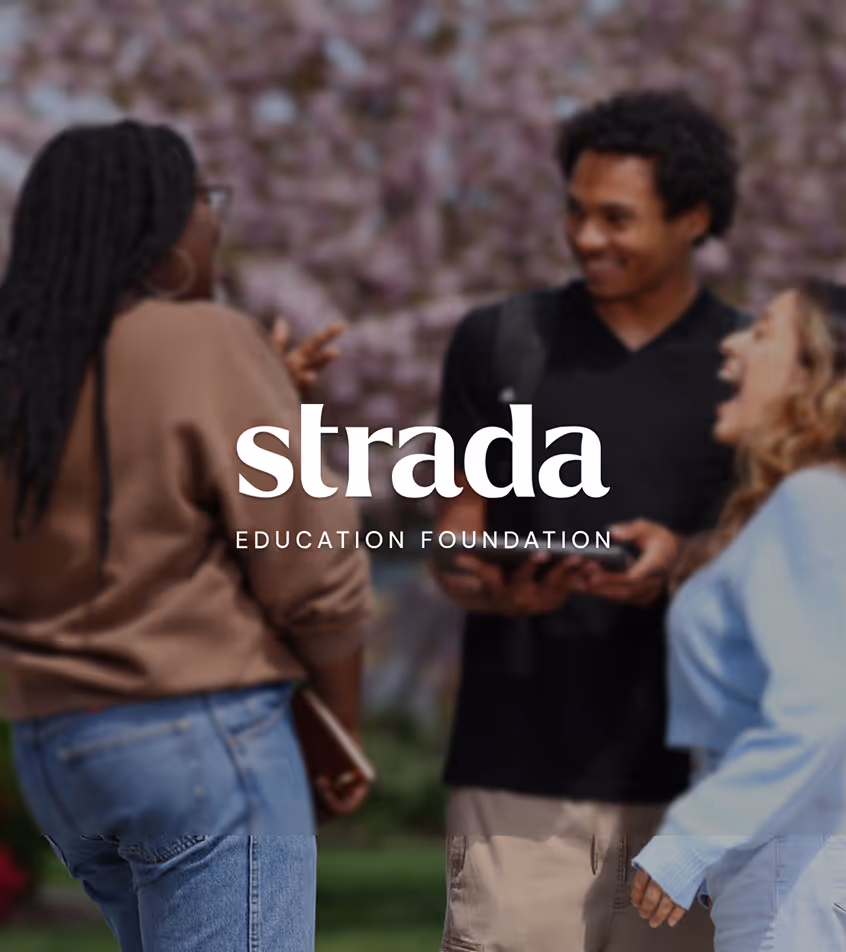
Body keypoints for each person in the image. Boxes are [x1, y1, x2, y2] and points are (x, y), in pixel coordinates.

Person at [0, 120, 372, 951]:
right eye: (207, 201)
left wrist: (265, 391)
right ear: (160, 227)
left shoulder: (25, 366)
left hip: (59, 748)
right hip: (199, 739)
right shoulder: (204, 340)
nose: (216, 221)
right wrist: (339, 737)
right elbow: (314, 573)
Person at [434, 89, 743, 952]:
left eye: (616, 217)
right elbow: (454, 535)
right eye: (574, 211)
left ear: (693, 218)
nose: (585, 238)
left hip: (700, 787)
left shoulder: (754, 366)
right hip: (517, 779)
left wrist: (683, 560)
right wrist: (487, 586)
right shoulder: (498, 341)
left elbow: (801, 558)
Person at [630, 278, 846, 949]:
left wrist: (688, 843)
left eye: (762, 333)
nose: (730, 343)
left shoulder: (813, 501)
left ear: (811, 375)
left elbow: (819, 708)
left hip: (795, 883)